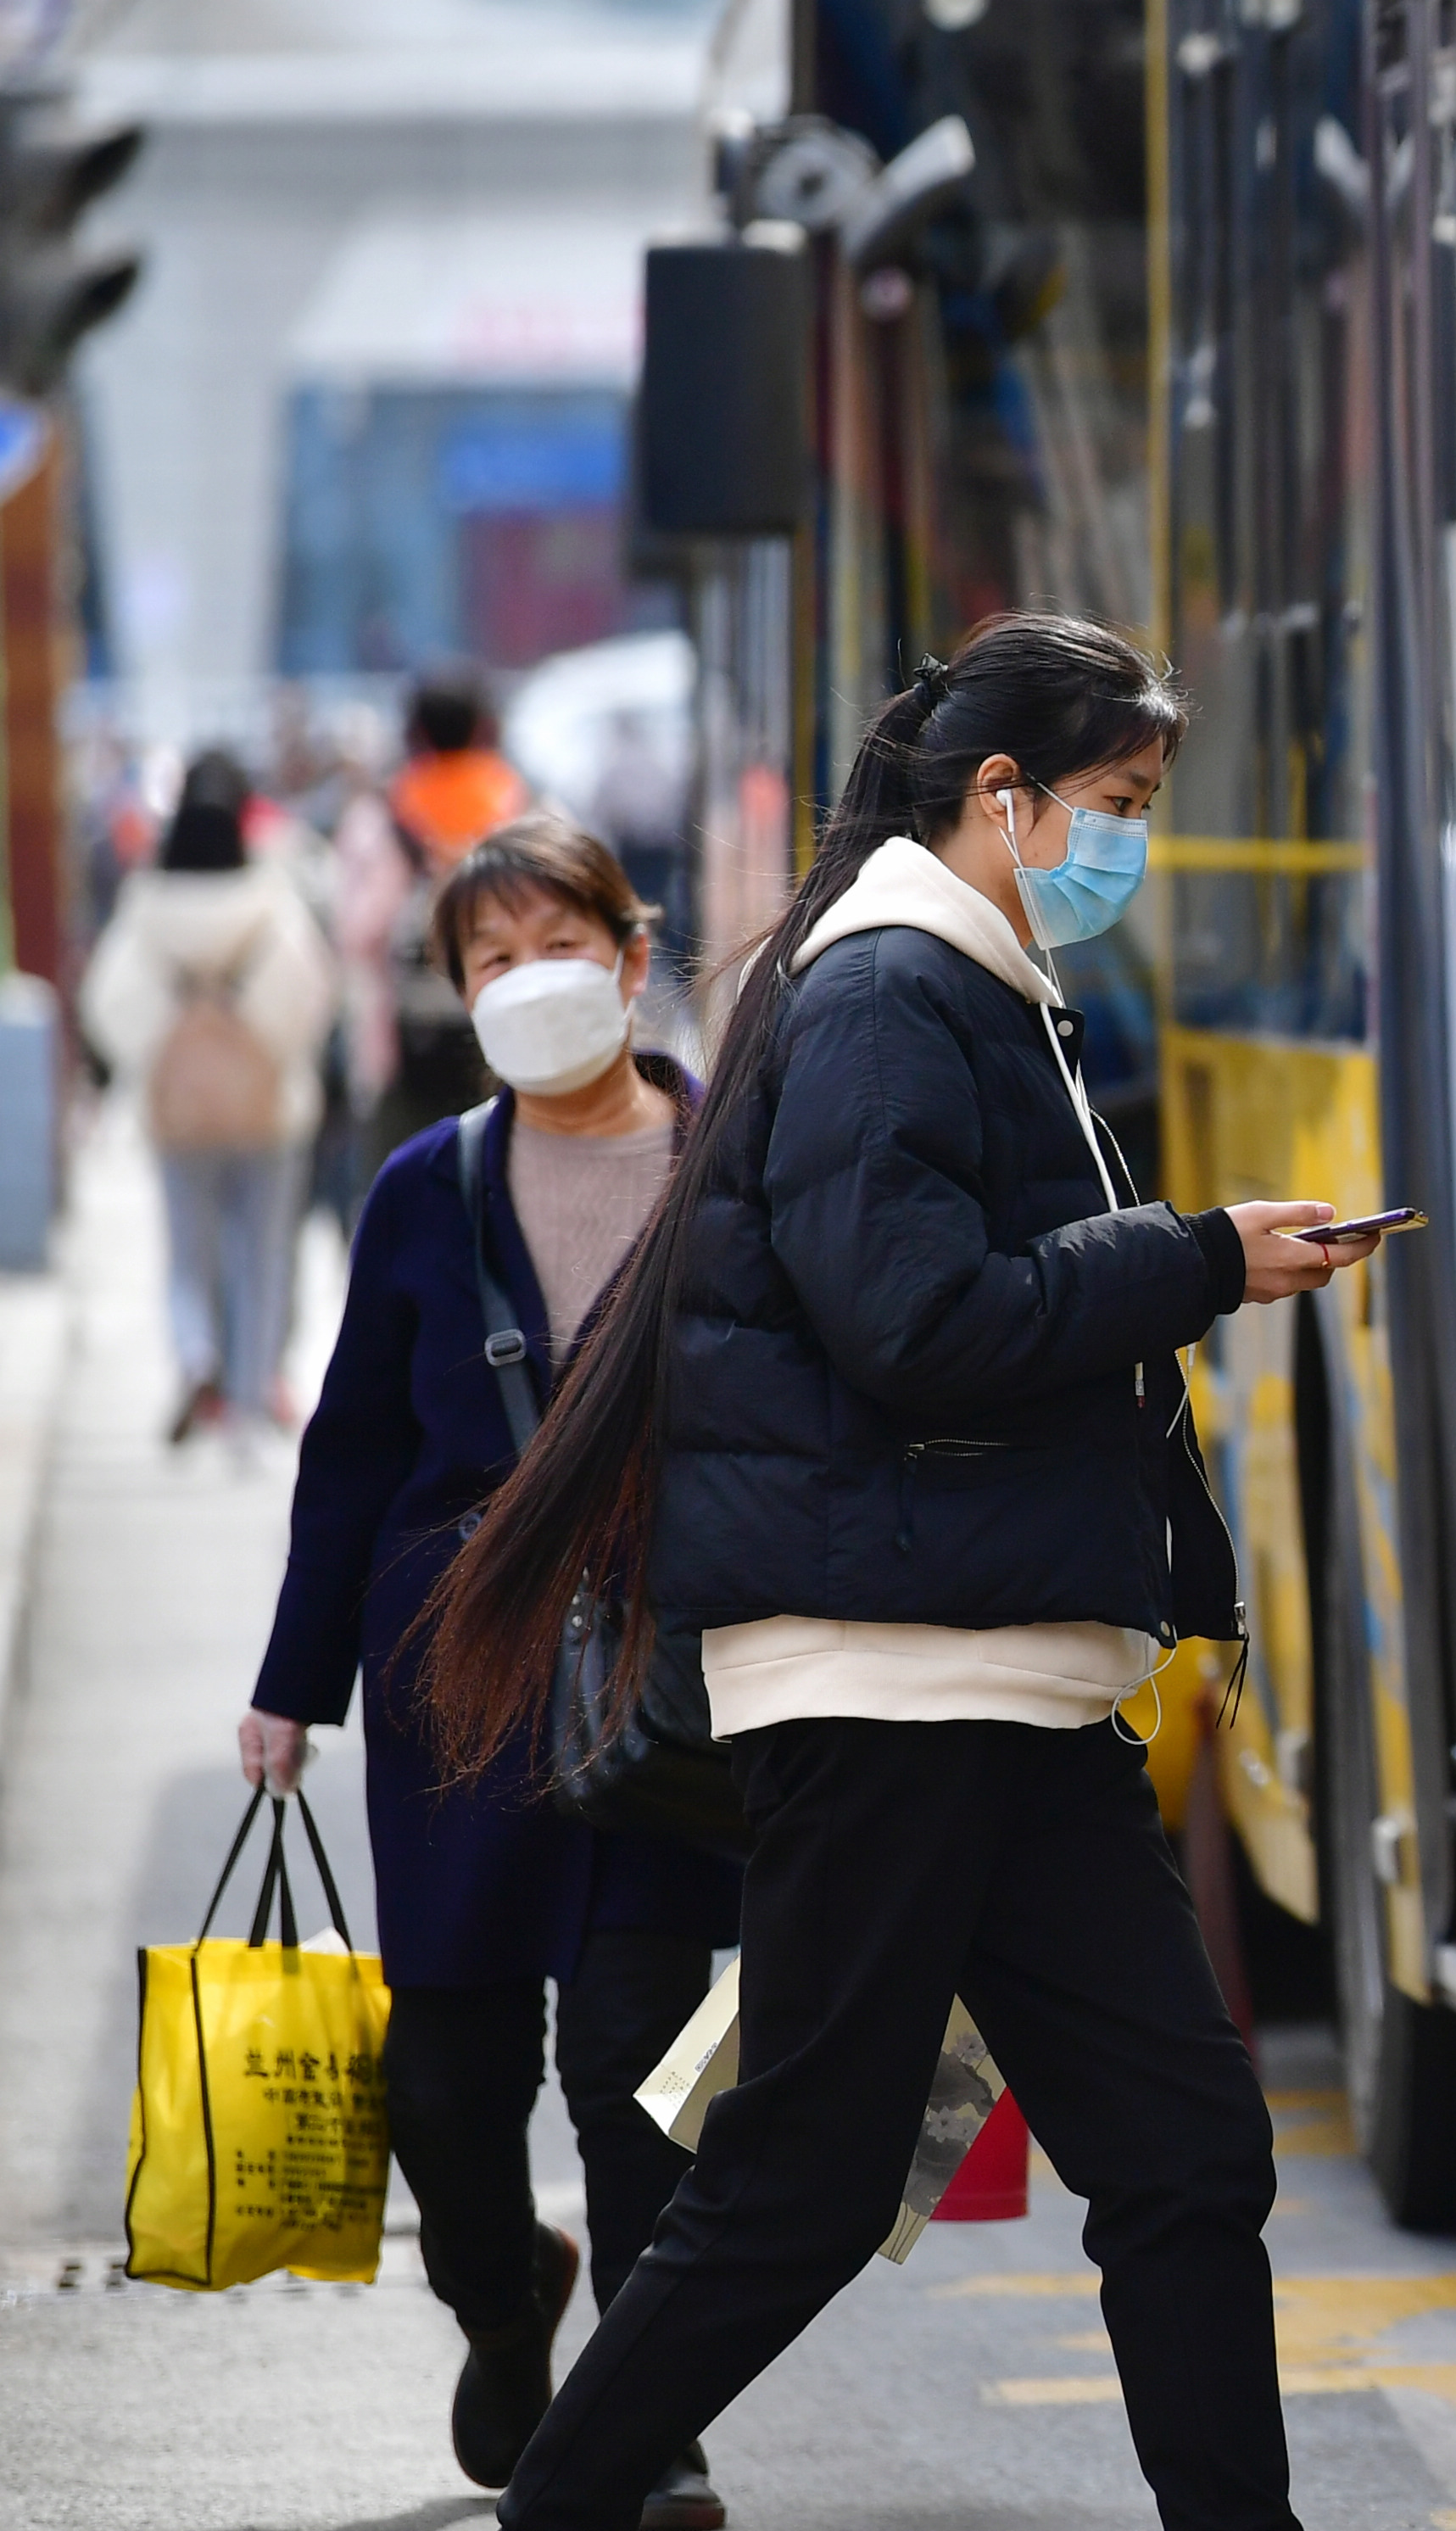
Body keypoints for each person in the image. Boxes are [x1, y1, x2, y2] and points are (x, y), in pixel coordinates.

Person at [422, 614, 1365, 2531]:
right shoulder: (886, 997)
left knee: (1182, 2147)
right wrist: (1194, 1256)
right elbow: (911, 1318)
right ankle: (565, 2505)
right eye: (1110, 805)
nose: (1126, 845)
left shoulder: (971, 984)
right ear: (996, 797)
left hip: (995, 1673)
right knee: (807, 2182)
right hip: (888, 1676)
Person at [240, 813, 744, 2528]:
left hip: (663, 1687)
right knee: (447, 2088)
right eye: (489, 957)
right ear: (459, 991)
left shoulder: (727, 1159)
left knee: (634, 2065)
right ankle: (497, 2293)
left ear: (629, 948)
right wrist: (291, 1686)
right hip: (459, 1684)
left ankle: (644, 2424)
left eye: (559, 941)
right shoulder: (423, 1191)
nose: (529, 980)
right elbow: (353, 1451)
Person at [79, 749, 336, 1442]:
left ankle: (197, 1355)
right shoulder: (269, 898)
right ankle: (251, 1400)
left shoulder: (145, 904)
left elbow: (107, 1002)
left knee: (187, 1250)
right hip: (269, 1109)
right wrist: (259, 1044)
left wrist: (161, 1053)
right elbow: (311, 996)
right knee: (263, 1254)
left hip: (179, 1111)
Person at [346, 668, 534, 1165]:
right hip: (510, 1030)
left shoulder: (383, 815)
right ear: (483, 728)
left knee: (414, 1183)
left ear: (416, 733)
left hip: (407, 1042)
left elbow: (358, 934)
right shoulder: (521, 804)